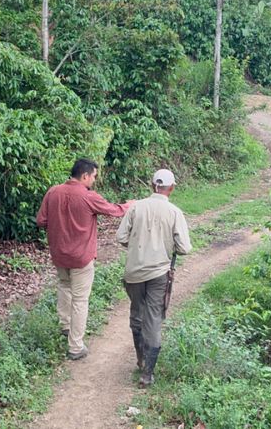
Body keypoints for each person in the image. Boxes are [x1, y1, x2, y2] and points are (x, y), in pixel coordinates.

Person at [36, 158, 134, 360]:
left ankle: (65, 326)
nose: (94, 180)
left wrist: (59, 226)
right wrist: (129, 205)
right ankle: (75, 346)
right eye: (94, 176)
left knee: (64, 287)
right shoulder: (88, 196)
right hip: (81, 257)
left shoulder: (53, 192)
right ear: (85, 176)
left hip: (59, 254)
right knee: (80, 300)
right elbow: (114, 211)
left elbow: (41, 221)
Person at [116, 168, 192, 387]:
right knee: (154, 319)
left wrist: (137, 248)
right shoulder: (174, 212)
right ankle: (147, 374)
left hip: (134, 272)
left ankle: (140, 360)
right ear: (172, 188)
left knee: (136, 314)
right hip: (159, 274)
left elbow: (121, 236)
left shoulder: (136, 207)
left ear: (152, 185)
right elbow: (184, 247)